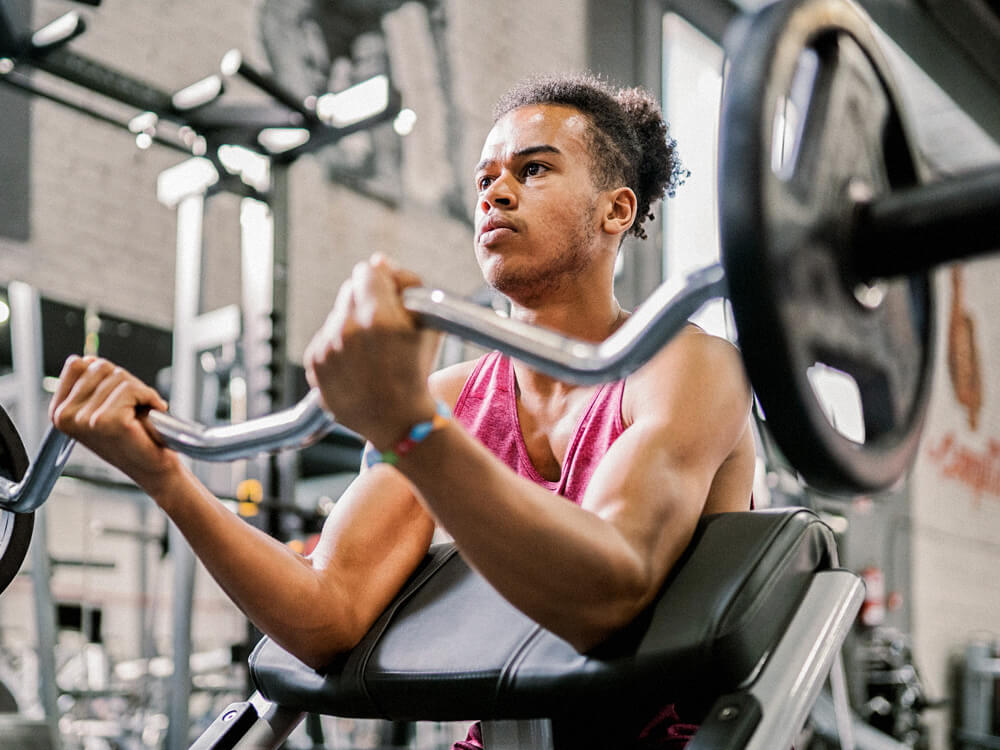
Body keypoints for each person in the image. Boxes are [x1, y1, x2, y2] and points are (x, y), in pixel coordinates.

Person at [49, 73, 755, 748]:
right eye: (485, 180)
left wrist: (409, 430)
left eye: (533, 170)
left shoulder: (686, 366)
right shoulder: (454, 400)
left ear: (616, 209)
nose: (496, 193)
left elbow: (606, 596)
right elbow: (328, 615)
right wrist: (169, 480)